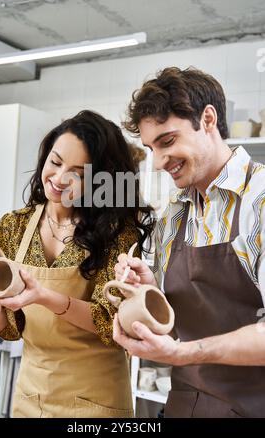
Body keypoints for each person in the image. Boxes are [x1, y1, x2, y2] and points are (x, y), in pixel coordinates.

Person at [0, 110, 154, 418]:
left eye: (78, 173)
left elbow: (112, 323)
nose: (58, 178)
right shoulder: (14, 225)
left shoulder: (117, 232)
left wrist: (43, 296)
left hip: (95, 400)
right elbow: (7, 329)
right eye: (55, 162)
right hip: (31, 396)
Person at [113, 67, 265, 418]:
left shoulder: (258, 201)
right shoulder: (174, 213)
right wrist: (150, 291)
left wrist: (184, 353)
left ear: (208, 119)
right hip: (185, 406)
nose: (159, 161)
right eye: (151, 148)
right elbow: (183, 319)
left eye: (167, 141)